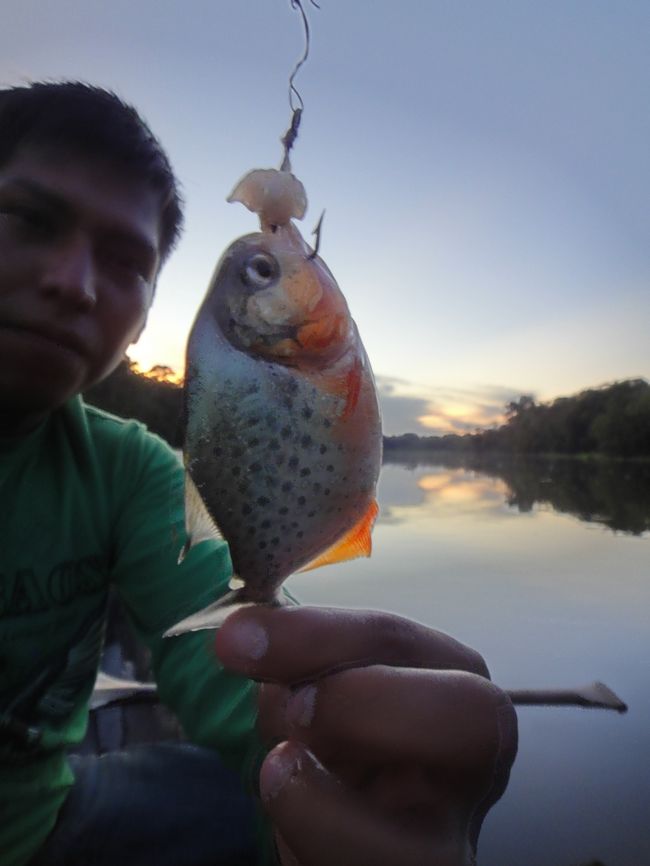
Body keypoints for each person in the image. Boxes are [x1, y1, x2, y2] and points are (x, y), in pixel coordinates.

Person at [0, 81, 517, 866]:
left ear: (144, 316)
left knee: (250, 805)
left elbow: (230, 676)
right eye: (27, 221)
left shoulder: (130, 470)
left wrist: (347, 757)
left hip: (43, 818)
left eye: (125, 260)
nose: (73, 284)